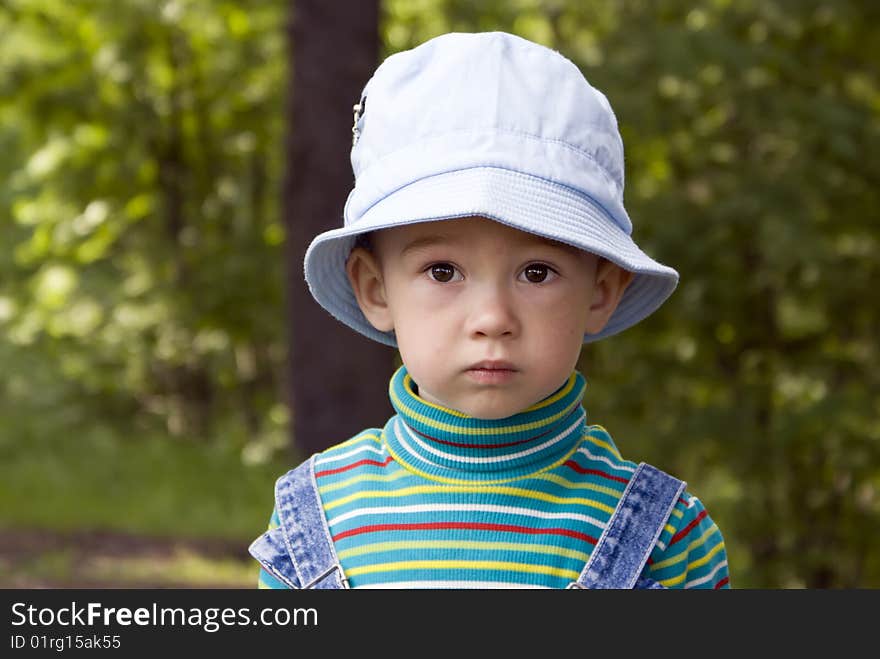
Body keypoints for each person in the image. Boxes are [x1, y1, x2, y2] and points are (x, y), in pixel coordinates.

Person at [249, 31, 730, 589]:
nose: (493, 317)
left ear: (601, 291)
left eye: (536, 273)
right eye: (443, 271)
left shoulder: (664, 536)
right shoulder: (315, 519)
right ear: (376, 289)